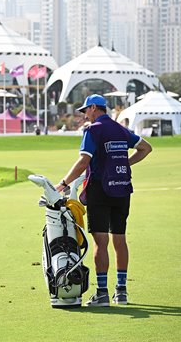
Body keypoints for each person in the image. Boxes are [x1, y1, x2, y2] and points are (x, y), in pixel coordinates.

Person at [54, 94, 152, 307]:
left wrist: (62, 183)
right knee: (120, 239)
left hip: (100, 190)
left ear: (94, 108)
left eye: (85, 110)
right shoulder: (120, 129)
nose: (84, 115)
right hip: (122, 189)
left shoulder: (93, 130)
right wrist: (125, 164)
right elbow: (146, 148)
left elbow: (83, 161)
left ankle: (102, 294)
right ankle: (122, 292)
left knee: (101, 241)